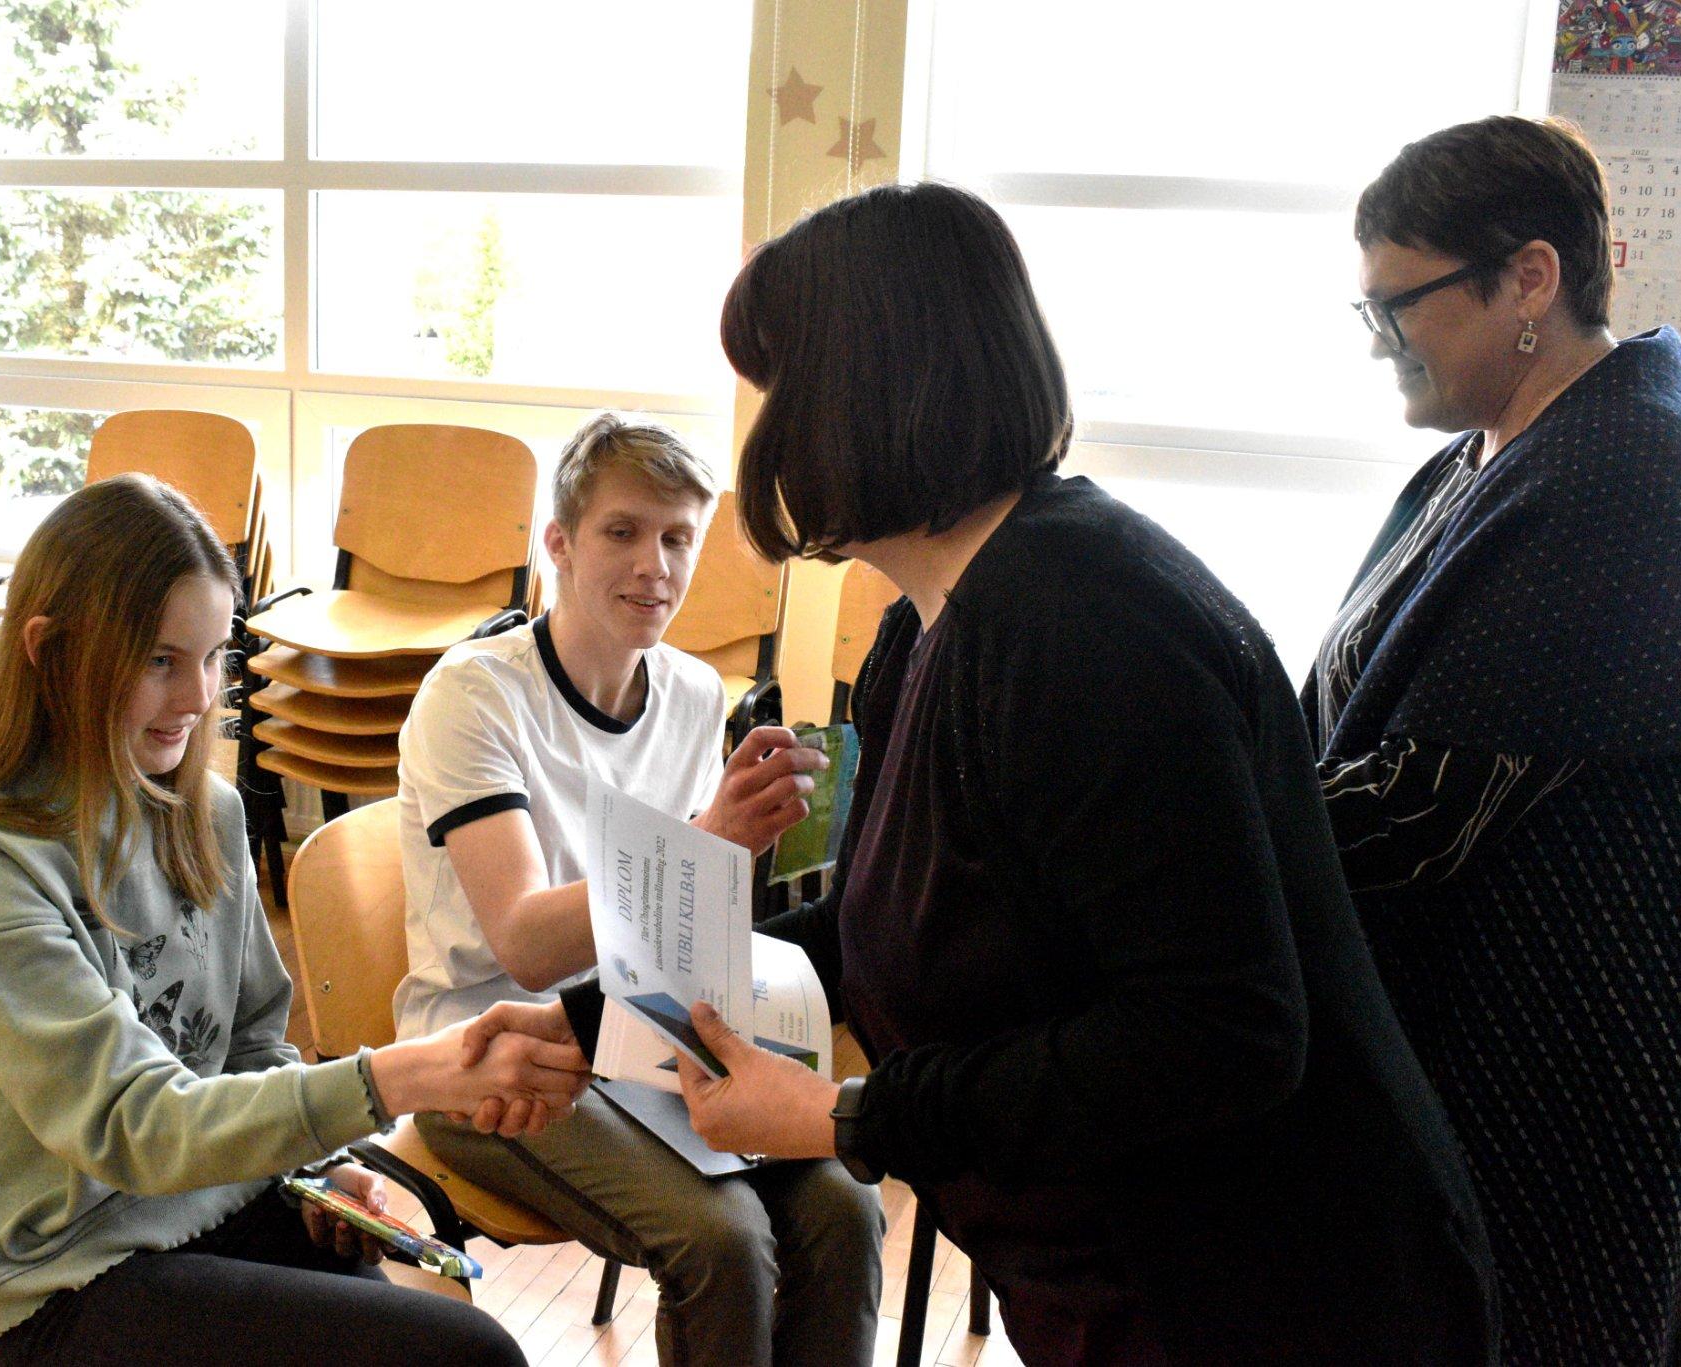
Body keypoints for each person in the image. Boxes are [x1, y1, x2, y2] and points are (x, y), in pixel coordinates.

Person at [556, 182, 1500, 1364]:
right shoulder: (931, 617)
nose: (770, 425)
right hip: (1115, 1279)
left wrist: (850, 1113)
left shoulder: (1082, 626)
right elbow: (883, 916)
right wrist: (584, 1020)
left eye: (784, 382)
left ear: (866, 391)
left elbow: (1220, 1031)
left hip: (1264, 1295)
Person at [0, 475, 592, 1366]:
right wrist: (409, 1074)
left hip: (215, 1201)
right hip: (72, 1279)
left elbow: (252, 1042)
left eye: (214, 654)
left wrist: (316, 1172)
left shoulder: (204, 814)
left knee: (446, 1340)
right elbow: (133, 1124)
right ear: (48, 651)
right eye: (159, 660)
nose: (197, 694)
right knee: (463, 1354)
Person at [1309, 114, 1681, 1361]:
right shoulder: (1489, 450)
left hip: (1563, 1053)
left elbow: (1425, 804)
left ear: (1529, 278)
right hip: (1473, 1031)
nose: (1377, 341)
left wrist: (1191, 824)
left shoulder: (1625, 472)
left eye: (1398, 306)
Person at [393, 413, 885, 1367]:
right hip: (489, 1044)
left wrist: (744, 852)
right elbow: (525, 946)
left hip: (638, 1029)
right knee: (724, 1240)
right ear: (560, 543)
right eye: (622, 532)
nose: (653, 565)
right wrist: (709, 837)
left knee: (845, 1205)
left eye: (677, 538)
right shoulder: (475, 693)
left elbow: (679, 928)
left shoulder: (694, 692)